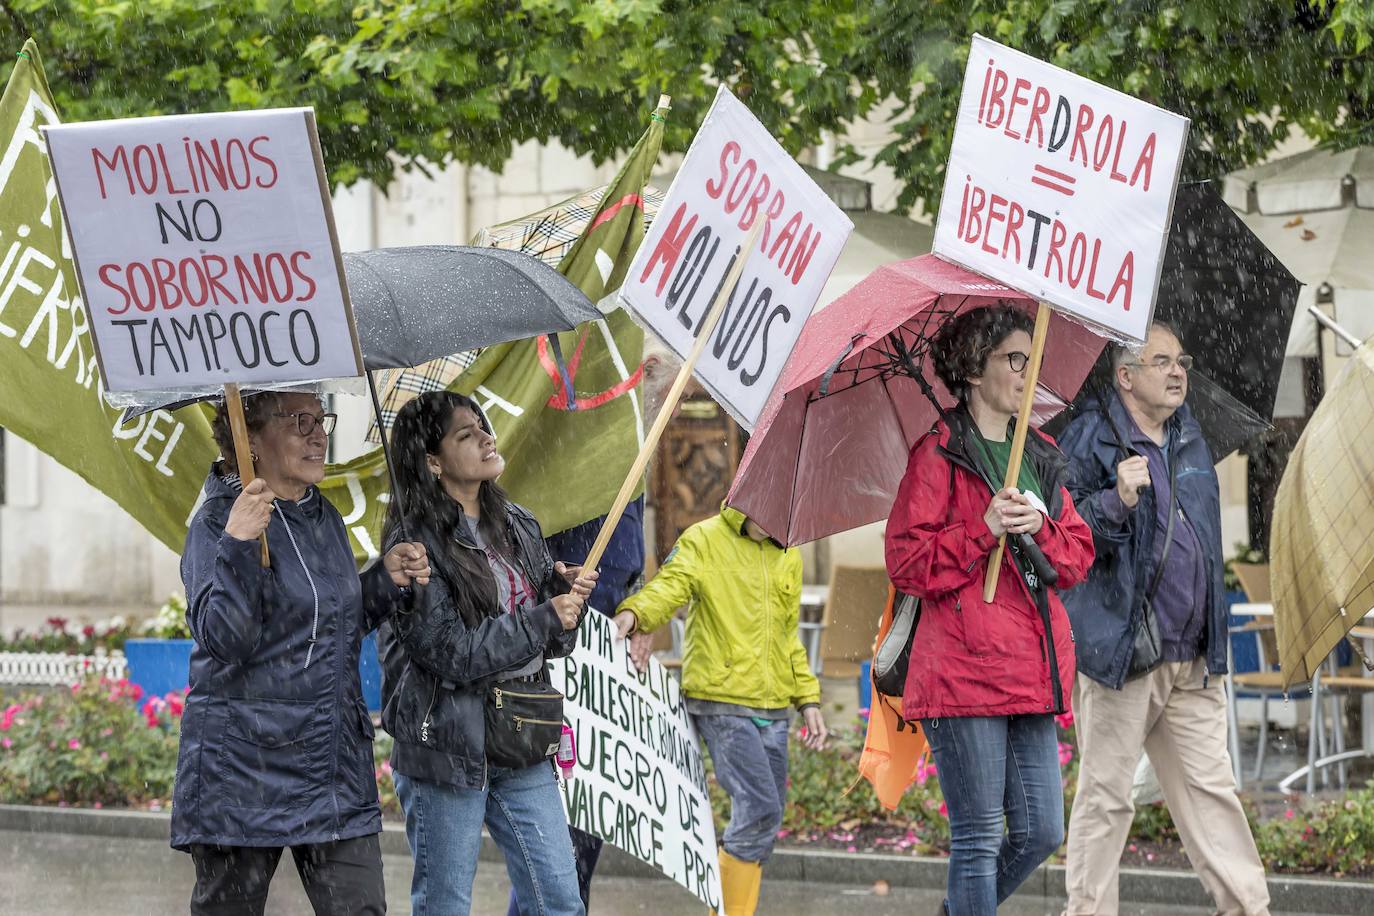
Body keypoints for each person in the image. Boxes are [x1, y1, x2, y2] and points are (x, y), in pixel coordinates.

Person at [174, 390, 431, 916]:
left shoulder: (323, 517)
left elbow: (328, 626)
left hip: (330, 767)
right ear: (252, 439)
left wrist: (385, 580)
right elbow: (226, 639)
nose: (320, 435)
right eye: (300, 422)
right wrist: (241, 543)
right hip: (243, 771)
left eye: (322, 419)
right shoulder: (215, 522)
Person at [884, 304, 1095, 916]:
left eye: (1032, 362)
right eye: (1014, 361)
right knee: (977, 840)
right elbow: (907, 562)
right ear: (974, 369)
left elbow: (1077, 556)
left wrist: (1042, 527)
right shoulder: (939, 453)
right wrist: (982, 527)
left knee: (1040, 832)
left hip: (1031, 669)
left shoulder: (1042, 452)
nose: (1027, 375)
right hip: (962, 671)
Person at [1059, 323, 1270, 916]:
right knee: (1107, 799)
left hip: (1195, 654)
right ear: (1125, 377)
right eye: (1161, 362)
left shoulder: (1190, 436)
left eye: (1182, 360)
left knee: (1212, 795)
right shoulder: (1090, 438)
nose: (1178, 372)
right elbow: (1059, 538)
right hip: (1125, 653)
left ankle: (1250, 909)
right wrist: (1113, 501)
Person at [377, 390, 597, 916]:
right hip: (447, 748)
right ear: (432, 461)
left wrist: (566, 604)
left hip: (520, 734)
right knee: (445, 905)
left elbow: (554, 645)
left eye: (483, 425)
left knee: (561, 901)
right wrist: (543, 616)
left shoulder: (518, 523)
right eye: (465, 434)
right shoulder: (412, 546)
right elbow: (452, 653)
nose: (486, 437)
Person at [612, 505, 828, 916]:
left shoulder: (789, 553)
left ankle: (730, 909)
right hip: (721, 701)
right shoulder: (704, 538)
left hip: (775, 706)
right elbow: (669, 586)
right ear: (750, 492)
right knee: (760, 808)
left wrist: (809, 699)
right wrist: (636, 613)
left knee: (765, 819)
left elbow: (788, 636)